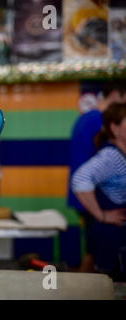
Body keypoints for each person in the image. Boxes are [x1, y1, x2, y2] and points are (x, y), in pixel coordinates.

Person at [68, 81, 126, 272]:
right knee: (99, 257)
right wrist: (101, 213)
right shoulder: (98, 120)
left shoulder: (85, 118)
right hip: (94, 198)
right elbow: (84, 176)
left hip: (87, 195)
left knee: (92, 253)